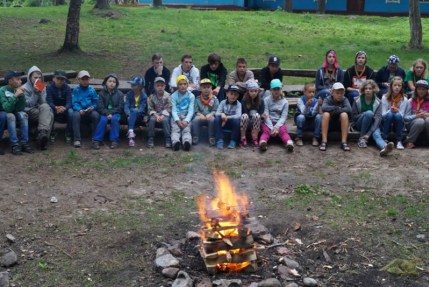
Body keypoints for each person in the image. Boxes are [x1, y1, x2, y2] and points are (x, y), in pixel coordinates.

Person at [351, 80, 394, 157]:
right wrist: (365, 114)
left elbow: (378, 119)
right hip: (359, 124)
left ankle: (384, 147)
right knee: (369, 113)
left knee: (377, 135)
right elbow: (353, 117)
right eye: (366, 88)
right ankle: (361, 139)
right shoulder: (356, 100)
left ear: (374, 90)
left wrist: (369, 134)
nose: (368, 90)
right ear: (363, 90)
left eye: (370, 88)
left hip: (373, 124)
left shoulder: (378, 102)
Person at [0, 71, 32, 155]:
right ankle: (14, 145)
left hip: (13, 111)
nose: (21, 81)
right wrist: (15, 96)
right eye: (18, 79)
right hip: (4, 112)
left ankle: (24, 143)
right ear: (10, 81)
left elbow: (20, 108)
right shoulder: (2, 91)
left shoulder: (17, 90)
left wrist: (21, 97)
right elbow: (6, 108)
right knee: (11, 116)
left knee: (23, 115)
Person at [22, 65, 54, 150]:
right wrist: (35, 93)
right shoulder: (24, 88)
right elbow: (28, 104)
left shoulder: (41, 85)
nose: (38, 79)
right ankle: (42, 138)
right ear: (30, 77)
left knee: (49, 112)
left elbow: (43, 102)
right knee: (48, 115)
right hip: (27, 110)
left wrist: (40, 92)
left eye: (40, 77)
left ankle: (42, 136)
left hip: (38, 109)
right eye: (35, 77)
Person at [259, 79, 294, 152]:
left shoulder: (285, 102)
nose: (276, 91)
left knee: (283, 131)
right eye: (274, 89)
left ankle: (289, 143)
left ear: (281, 90)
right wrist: (272, 128)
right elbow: (266, 114)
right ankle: (263, 143)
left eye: (278, 89)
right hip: (268, 121)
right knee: (266, 131)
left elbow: (283, 117)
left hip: (279, 122)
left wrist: (277, 127)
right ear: (271, 90)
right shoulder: (266, 100)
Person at [92, 74, 124, 149]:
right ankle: (97, 140)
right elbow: (100, 106)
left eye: (114, 82)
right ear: (106, 82)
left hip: (116, 113)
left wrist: (111, 113)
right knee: (103, 120)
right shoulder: (101, 93)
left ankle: (114, 140)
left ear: (116, 84)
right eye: (110, 81)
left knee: (115, 119)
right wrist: (107, 113)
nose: (112, 83)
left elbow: (120, 107)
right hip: (104, 113)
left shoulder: (120, 94)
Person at [319, 82, 352, 151]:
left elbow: (349, 109)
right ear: (332, 93)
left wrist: (335, 110)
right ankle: (324, 141)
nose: (339, 95)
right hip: (329, 124)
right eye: (337, 93)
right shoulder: (327, 99)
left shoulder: (345, 99)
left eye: (341, 93)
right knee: (326, 114)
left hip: (340, 125)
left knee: (344, 115)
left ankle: (344, 142)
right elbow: (324, 108)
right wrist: (336, 108)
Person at [72, 70, 100, 148]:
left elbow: (96, 101)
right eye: (83, 79)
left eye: (86, 79)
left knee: (96, 115)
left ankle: (95, 138)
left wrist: (93, 107)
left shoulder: (92, 90)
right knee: (75, 115)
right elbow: (74, 102)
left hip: (90, 110)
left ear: (89, 80)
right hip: (80, 110)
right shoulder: (76, 90)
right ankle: (77, 139)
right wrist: (79, 109)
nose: (85, 81)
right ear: (79, 80)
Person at [381, 76, 411, 150]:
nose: (397, 87)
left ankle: (399, 140)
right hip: (386, 121)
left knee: (397, 115)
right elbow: (383, 114)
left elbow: (402, 115)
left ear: (402, 87)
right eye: (395, 85)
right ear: (391, 86)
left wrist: (397, 111)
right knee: (390, 114)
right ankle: (385, 138)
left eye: (399, 85)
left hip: (398, 122)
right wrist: (390, 110)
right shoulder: (385, 97)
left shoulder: (404, 99)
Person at [46, 69, 73, 144]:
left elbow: (69, 101)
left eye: (62, 79)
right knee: (49, 112)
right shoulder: (49, 88)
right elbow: (49, 101)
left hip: (65, 108)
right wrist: (55, 107)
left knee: (71, 112)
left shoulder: (67, 88)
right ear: (53, 78)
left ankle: (68, 132)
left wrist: (65, 107)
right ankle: (52, 132)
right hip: (54, 108)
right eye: (58, 78)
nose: (60, 81)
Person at [192, 78, 219, 146]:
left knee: (212, 120)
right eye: (204, 87)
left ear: (211, 88)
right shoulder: (197, 99)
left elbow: (216, 109)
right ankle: (196, 136)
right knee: (195, 120)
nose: (206, 89)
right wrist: (199, 114)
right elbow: (195, 110)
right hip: (200, 116)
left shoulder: (214, 99)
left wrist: (211, 114)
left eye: (208, 87)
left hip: (210, 116)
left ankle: (211, 136)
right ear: (200, 89)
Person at [171, 75, 195, 151]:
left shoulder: (191, 96)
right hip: (176, 116)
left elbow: (191, 110)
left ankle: (186, 142)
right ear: (177, 85)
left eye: (184, 84)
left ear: (187, 85)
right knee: (175, 129)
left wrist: (186, 120)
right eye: (180, 84)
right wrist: (177, 120)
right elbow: (173, 110)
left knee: (186, 129)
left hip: (186, 115)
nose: (183, 86)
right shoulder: (173, 96)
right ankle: (176, 142)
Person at [147, 77, 172, 148]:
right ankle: (150, 137)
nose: (160, 87)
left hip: (165, 114)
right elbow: (150, 108)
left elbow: (169, 107)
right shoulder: (152, 96)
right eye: (158, 86)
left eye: (162, 85)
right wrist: (157, 116)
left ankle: (167, 138)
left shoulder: (168, 96)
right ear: (154, 86)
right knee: (151, 120)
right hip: (155, 114)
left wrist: (162, 116)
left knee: (165, 120)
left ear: (165, 86)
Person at [214, 85, 242, 149]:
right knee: (217, 119)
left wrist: (226, 118)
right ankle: (219, 140)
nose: (233, 96)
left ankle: (233, 140)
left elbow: (238, 115)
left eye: (235, 95)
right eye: (231, 94)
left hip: (231, 123)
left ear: (238, 96)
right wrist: (222, 114)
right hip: (223, 123)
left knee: (237, 120)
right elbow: (217, 113)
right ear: (227, 94)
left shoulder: (238, 104)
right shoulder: (222, 102)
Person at [404, 80, 429, 148]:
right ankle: (410, 141)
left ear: (427, 91)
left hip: (426, 123)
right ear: (416, 90)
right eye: (419, 89)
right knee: (420, 121)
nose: (421, 91)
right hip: (413, 123)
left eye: (423, 89)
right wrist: (416, 116)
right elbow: (405, 118)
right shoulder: (410, 101)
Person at [240, 79, 264, 148]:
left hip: (256, 122)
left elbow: (261, 112)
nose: (254, 93)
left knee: (257, 115)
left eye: (255, 91)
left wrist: (260, 117)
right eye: (251, 91)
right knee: (244, 116)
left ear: (258, 91)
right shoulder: (244, 100)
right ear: (248, 92)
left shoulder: (261, 100)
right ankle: (243, 138)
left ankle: (254, 137)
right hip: (246, 121)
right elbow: (244, 112)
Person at [124, 76, 147, 147]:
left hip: (139, 115)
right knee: (132, 113)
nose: (132, 86)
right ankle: (131, 138)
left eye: (134, 85)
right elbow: (126, 105)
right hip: (130, 115)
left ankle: (130, 132)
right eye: (132, 84)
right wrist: (128, 114)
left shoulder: (144, 96)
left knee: (134, 111)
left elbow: (142, 108)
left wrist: (134, 112)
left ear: (140, 86)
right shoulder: (129, 94)